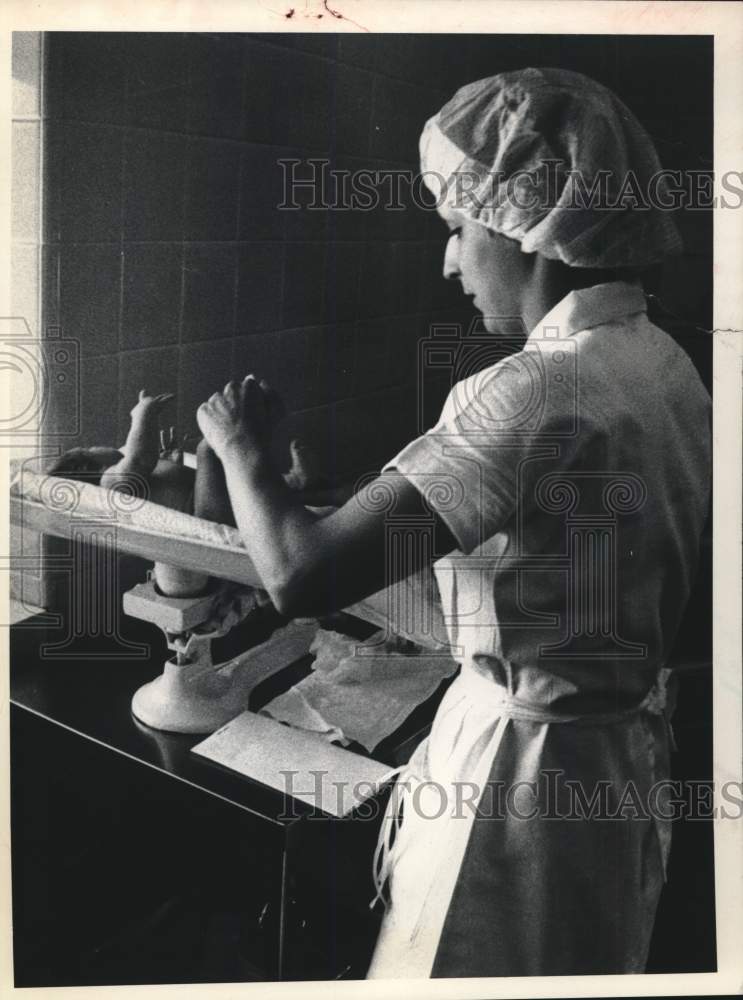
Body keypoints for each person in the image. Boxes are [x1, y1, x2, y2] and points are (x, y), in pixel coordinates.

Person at [194, 68, 711, 978]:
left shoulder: (531, 387)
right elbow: (561, 563)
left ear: (525, 225)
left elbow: (299, 576)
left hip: (508, 790)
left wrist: (243, 453)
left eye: (455, 230)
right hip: (610, 761)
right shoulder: (662, 361)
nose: (448, 264)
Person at [47, 388, 332, 597]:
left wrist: (169, 459)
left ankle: (296, 483)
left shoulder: (124, 483)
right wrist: (143, 415)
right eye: (91, 448)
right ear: (88, 465)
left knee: (235, 476)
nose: (102, 446)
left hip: (205, 505)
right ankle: (294, 481)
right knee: (209, 450)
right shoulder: (110, 487)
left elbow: (155, 471)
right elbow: (139, 457)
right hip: (205, 517)